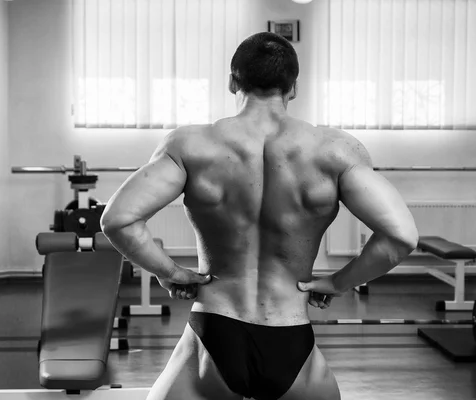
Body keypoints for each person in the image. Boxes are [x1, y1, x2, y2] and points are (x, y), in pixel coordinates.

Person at [101, 32, 419, 400]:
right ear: (293, 87)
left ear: (232, 81)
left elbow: (118, 220)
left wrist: (170, 272)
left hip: (213, 329)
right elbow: (400, 236)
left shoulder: (190, 145)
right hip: (290, 330)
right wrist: (339, 282)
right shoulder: (336, 150)